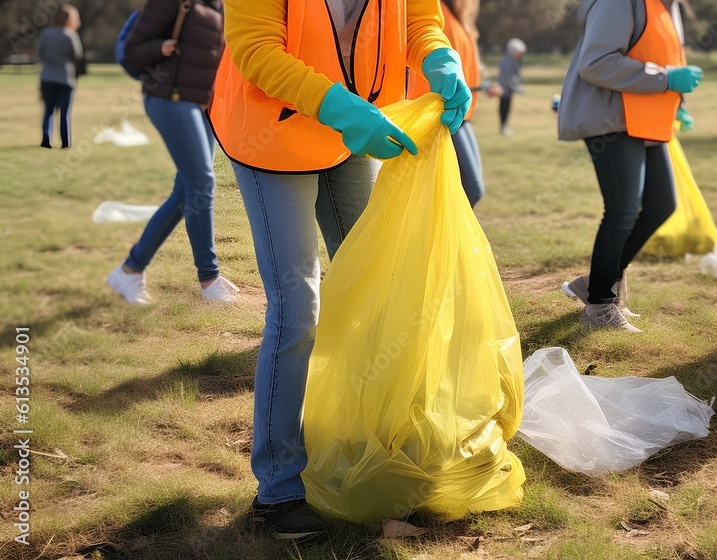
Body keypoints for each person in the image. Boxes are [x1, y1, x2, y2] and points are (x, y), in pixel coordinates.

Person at [208, 0, 470, 540]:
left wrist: (441, 57)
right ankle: (278, 494)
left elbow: (420, 20)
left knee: (379, 286)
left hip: (351, 130)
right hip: (272, 136)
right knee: (297, 307)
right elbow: (256, 50)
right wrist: (344, 110)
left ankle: (364, 452)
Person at [557, 0, 702, 332]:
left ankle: (595, 283)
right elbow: (596, 64)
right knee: (622, 209)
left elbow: (656, 53)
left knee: (661, 205)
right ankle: (600, 307)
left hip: (644, 118)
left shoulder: (667, 5)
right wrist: (667, 80)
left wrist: (676, 102)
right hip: (611, 119)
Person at [106, 0, 233, 306]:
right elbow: (132, 50)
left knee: (186, 190)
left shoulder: (220, 6)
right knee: (202, 185)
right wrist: (159, 47)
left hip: (200, 105)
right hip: (169, 98)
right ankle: (209, 277)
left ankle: (129, 270)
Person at [408, 0, 487, 207]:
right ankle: (441, 235)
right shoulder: (437, 11)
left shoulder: (460, 17)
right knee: (470, 188)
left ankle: (446, 235)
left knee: (470, 189)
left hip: (462, 111)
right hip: (443, 109)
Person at [37, 4, 82, 149]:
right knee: (64, 112)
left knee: (48, 110)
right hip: (65, 77)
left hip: (47, 77)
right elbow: (77, 56)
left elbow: (40, 54)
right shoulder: (70, 35)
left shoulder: (46, 34)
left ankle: (46, 139)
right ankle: (65, 142)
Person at [498, 38, 526, 136]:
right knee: (504, 108)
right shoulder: (507, 62)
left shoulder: (513, 61)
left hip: (508, 90)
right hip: (504, 90)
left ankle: (505, 126)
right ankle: (503, 127)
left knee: (507, 108)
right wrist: (515, 87)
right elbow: (507, 79)